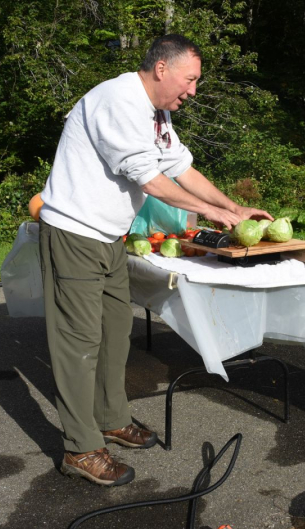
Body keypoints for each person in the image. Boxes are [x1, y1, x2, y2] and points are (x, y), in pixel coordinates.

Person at [37, 34, 272, 487]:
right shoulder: (117, 100)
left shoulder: (156, 114)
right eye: (190, 79)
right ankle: (80, 447)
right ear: (162, 68)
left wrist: (235, 208)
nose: (193, 90)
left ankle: (111, 417)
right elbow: (151, 179)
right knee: (79, 343)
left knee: (116, 333)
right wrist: (212, 213)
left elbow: (180, 168)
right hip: (74, 232)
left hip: (108, 237)